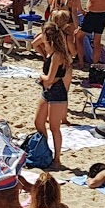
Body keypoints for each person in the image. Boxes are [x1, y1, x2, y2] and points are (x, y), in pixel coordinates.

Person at [34, 14, 74, 168]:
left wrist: (40, 77)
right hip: (47, 91)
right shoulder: (49, 51)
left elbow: (50, 79)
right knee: (38, 122)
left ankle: (57, 159)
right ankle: (45, 151)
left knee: (54, 127)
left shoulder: (57, 55)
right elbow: (34, 44)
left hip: (57, 91)